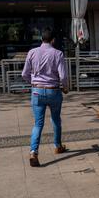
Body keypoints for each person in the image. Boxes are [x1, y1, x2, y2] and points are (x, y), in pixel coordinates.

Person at [22, 28, 69, 167]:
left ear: (41, 39)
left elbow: (24, 73)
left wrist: (33, 82)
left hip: (37, 91)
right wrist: (65, 87)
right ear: (53, 40)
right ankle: (57, 146)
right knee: (55, 120)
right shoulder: (58, 53)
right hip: (53, 91)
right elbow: (63, 76)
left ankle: (33, 152)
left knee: (38, 124)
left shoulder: (32, 52)